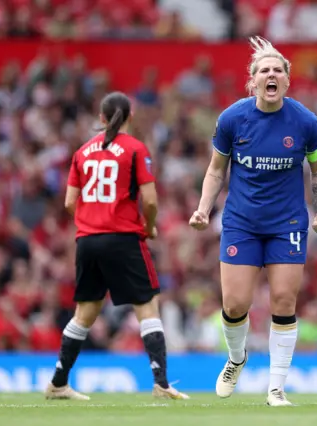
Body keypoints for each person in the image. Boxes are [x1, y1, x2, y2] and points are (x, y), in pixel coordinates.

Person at [189, 36, 317, 406]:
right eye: (263, 70)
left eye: (277, 69)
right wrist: (204, 208)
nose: (271, 74)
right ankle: (237, 359)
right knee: (235, 305)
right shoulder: (233, 119)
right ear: (252, 81)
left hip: (287, 224)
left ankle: (276, 388)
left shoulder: (306, 122)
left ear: (287, 79)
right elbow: (215, 171)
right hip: (241, 222)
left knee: (284, 300)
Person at [45, 91, 188, 401]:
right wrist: (147, 227)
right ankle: (161, 383)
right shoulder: (135, 149)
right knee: (147, 306)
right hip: (122, 238)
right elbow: (149, 200)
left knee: (85, 312)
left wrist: (91, 218)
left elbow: (70, 202)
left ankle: (58, 382)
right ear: (130, 117)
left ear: (101, 118)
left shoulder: (82, 152)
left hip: (87, 240)